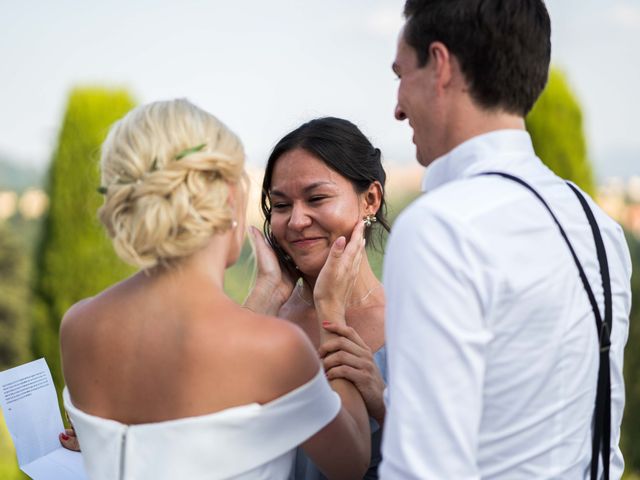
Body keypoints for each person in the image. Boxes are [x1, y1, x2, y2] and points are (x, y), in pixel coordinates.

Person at [381, 1, 631, 479]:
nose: (396, 105)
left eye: (401, 73)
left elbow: (423, 470)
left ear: (440, 66)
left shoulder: (441, 230)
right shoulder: (598, 226)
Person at [59, 99, 372, 480]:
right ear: (228, 197)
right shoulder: (277, 348)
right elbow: (352, 461)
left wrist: (267, 291)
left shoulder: (78, 326)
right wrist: (331, 309)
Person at [243, 117, 390, 480]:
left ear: (370, 199)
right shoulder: (263, 321)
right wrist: (264, 298)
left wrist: (382, 399)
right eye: (280, 205)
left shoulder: (413, 324)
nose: (296, 221)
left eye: (317, 198)